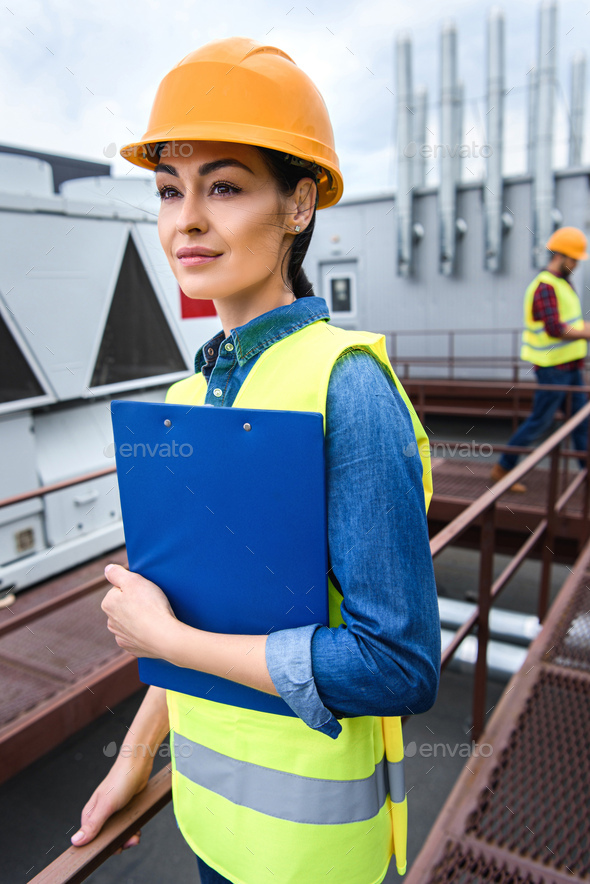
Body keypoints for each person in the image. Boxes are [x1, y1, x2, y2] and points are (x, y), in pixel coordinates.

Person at [72, 38, 440, 883]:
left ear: (300, 204)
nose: (186, 220)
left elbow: (399, 664)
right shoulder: (184, 399)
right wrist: (135, 757)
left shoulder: (346, 386)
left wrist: (164, 637)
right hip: (208, 826)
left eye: (225, 187)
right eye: (170, 190)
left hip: (314, 855)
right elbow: (195, 615)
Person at [490, 226, 590, 492]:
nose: (577, 265)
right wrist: (586, 332)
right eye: (575, 259)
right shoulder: (545, 287)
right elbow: (554, 328)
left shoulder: (563, 283)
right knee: (540, 421)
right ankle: (504, 468)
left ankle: (586, 473)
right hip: (553, 368)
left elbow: (568, 322)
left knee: (582, 422)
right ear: (562, 256)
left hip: (571, 367)